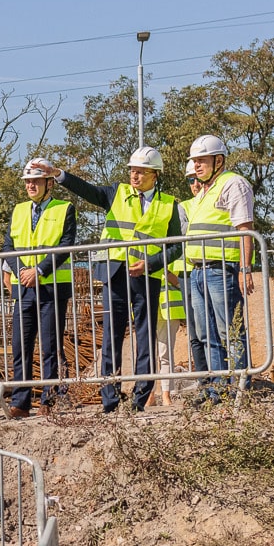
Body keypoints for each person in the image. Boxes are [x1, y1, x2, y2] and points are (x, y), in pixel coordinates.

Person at [56, 148, 184, 413]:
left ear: (154, 175)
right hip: (113, 273)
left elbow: (176, 247)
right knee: (111, 338)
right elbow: (87, 189)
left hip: (146, 276)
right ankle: (110, 400)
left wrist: (151, 263)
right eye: (132, 171)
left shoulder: (169, 204)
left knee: (145, 337)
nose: (134, 176)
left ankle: (139, 399)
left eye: (140, 172)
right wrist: (60, 175)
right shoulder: (117, 192)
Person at [180, 134, 257, 404]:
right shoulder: (205, 191)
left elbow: (244, 228)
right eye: (194, 161)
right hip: (198, 271)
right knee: (207, 334)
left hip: (221, 269)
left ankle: (240, 389)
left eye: (201, 160)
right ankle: (218, 389)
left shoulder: (233, 184)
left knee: (230, 332)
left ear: (219, 160)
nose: (197, 166)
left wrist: (245, 268)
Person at [0, 158, 75, 419]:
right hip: (24, 287)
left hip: (52, 286)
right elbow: (8, 246)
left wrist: (39, 270)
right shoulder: (19, 211)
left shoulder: (65, 208)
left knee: (50, 346)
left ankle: (50, 399)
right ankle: (21, 400)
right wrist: (21, 270)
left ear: (49, 183)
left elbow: (65, 245)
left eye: (35, 180)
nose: (30, 185)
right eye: (27, 181)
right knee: (21, 345)